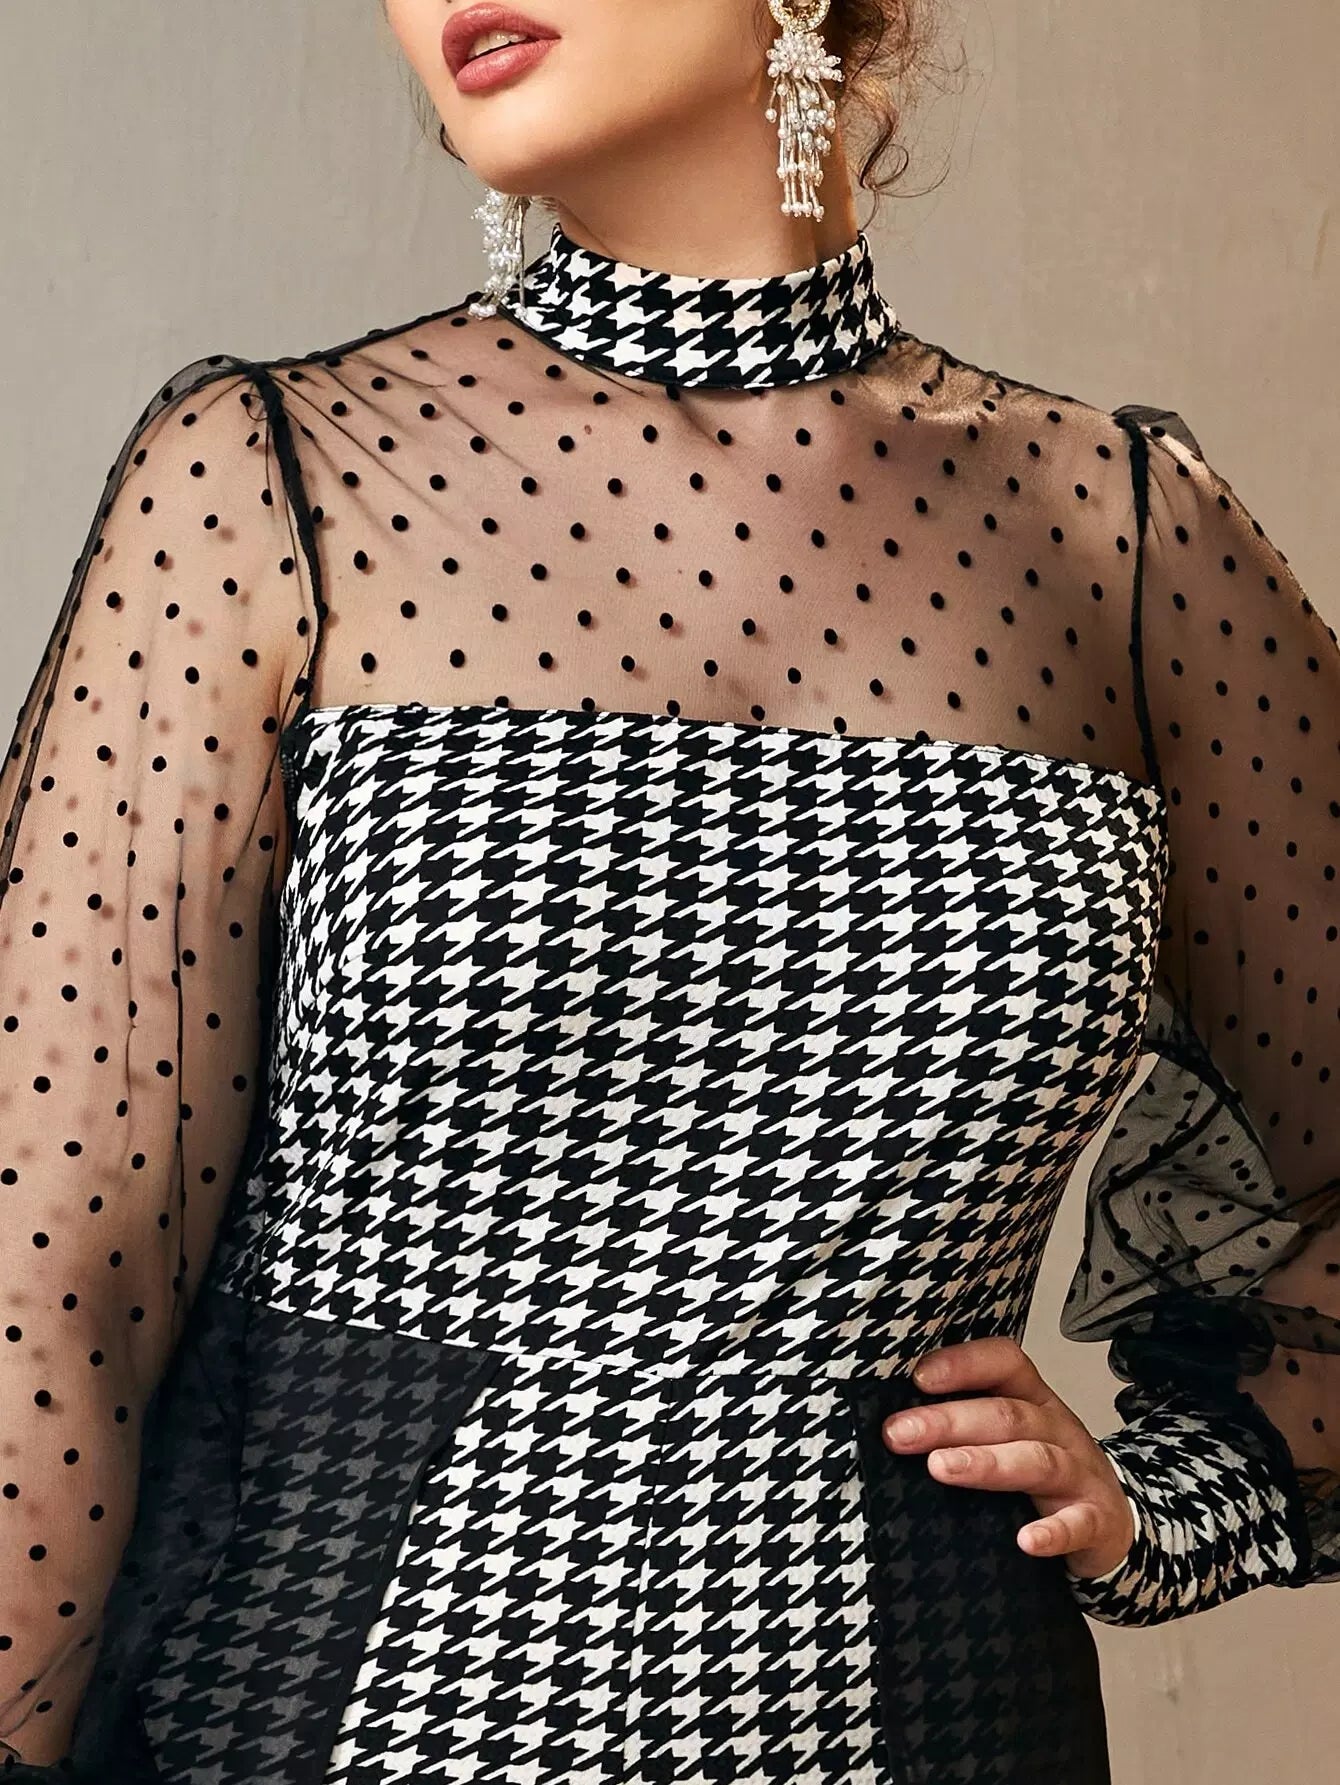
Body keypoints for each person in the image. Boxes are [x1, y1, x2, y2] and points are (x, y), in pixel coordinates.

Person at [1, 0, 1335, 1779]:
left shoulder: (1128, 538)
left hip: (933, 1717)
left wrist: (1175, 1508)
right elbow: (46, 1286)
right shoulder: (273, 483)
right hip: (313, 1708)